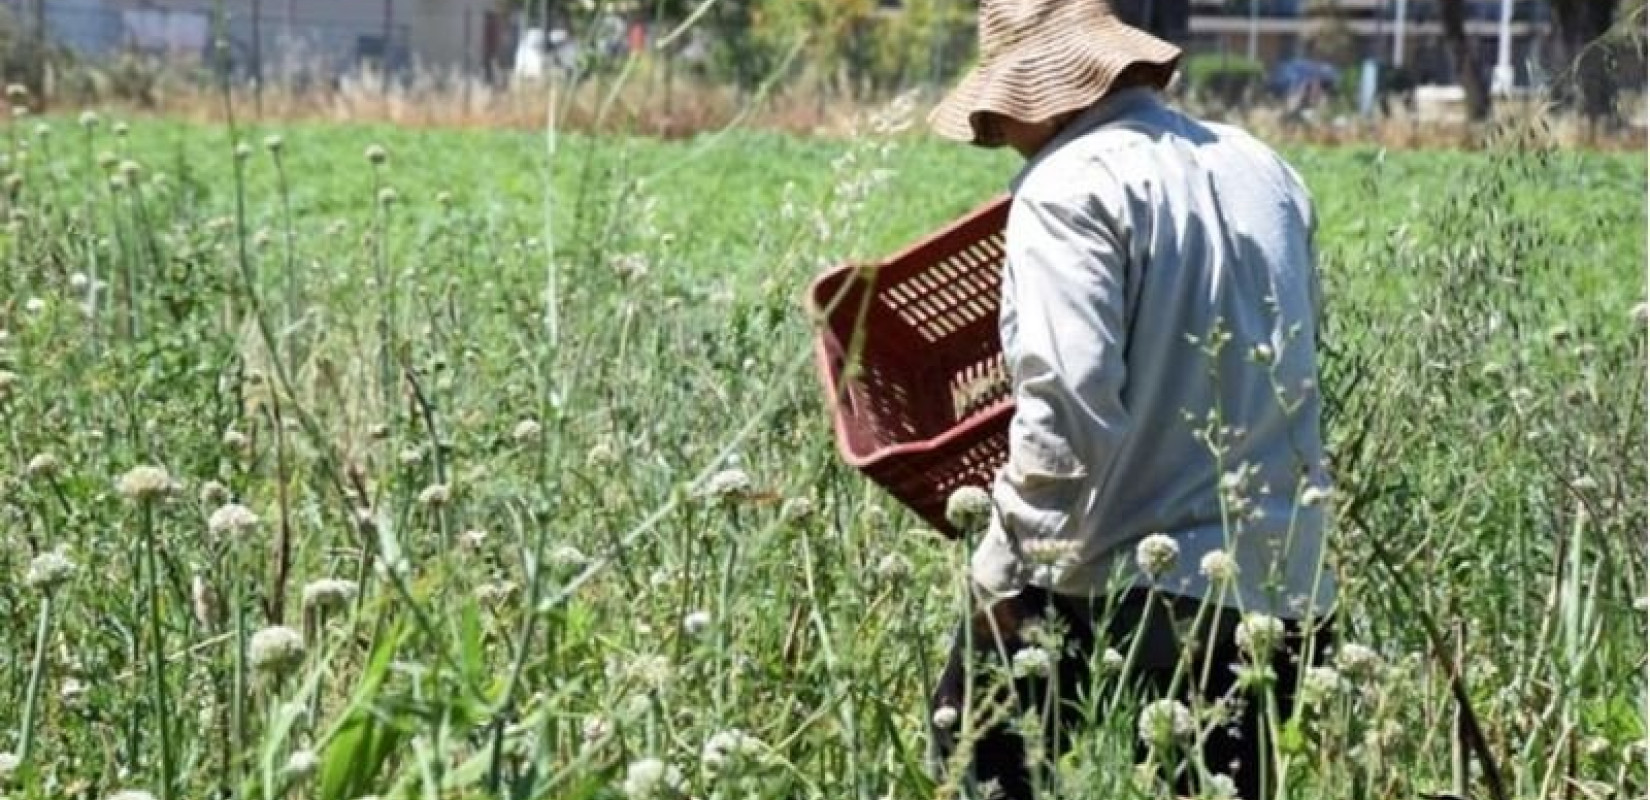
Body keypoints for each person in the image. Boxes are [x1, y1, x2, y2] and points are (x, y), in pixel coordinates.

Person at [923, 1, 1338, 798]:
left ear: (1031, 96)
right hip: (1284, 583)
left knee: (973, 757)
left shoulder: (1067, 186)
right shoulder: (1263, 167)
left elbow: (1069, 410)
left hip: (1136, 589)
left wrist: (1000, 569)